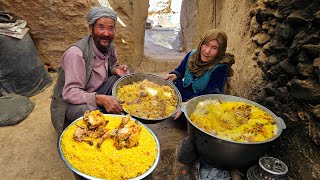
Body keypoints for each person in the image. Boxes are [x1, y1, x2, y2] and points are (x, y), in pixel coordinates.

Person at [51, 6, 129, 134]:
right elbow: (70, 93)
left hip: (96, 92)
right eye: (101, 27)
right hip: (73, 103)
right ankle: (90, 126)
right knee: (84, 111)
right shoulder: (76, 54)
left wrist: (115, 70)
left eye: (111, 28)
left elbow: (107, 67)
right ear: (91, 29)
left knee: (121, 79)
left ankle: (105, 114)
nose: (106, 33)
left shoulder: (109, 45)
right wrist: (101, 99)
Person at [165, 29, 235, 120]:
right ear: (201, 43)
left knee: (189, 116)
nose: (207, 51)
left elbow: (211, 94)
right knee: (167, 94)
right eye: (206, 45)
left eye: (214, 48)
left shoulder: (221, 67)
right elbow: (180, 70)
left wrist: (188, 103)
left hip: (202, 99)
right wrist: (175, 75)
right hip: (185, 92)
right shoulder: (192, 55)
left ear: (220, 50)